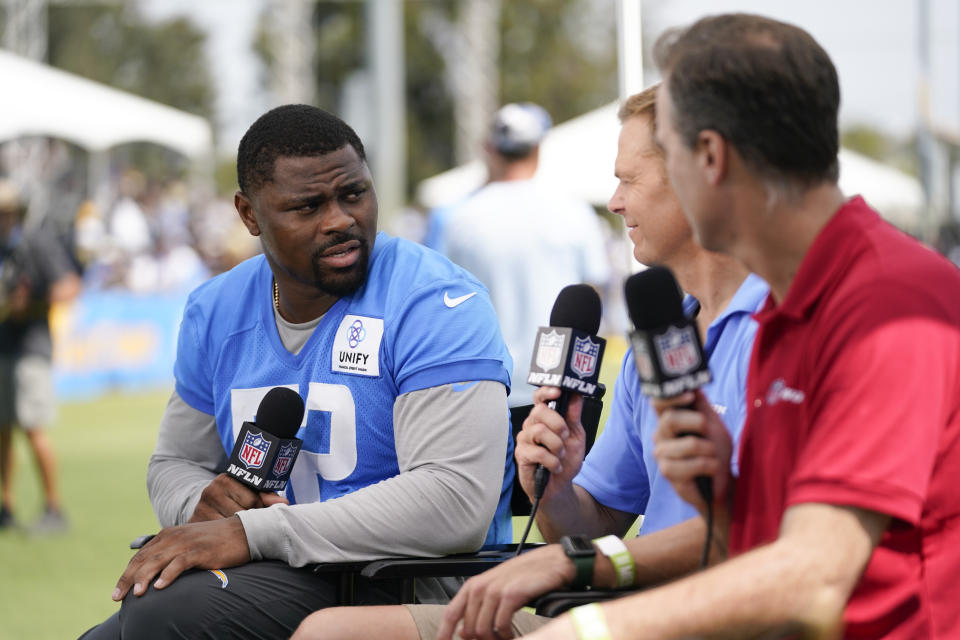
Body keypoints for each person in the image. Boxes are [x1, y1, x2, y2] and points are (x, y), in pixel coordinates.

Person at [517, 13, 960, 640]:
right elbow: (743, 549)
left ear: (710, 158)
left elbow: (814, 577)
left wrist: (589, 627)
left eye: (660, 156)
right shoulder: (797, 302)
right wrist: (719, 496)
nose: (617, 201)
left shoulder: (886, 302)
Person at [291, 84, 769, 640]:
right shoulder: (659, 342)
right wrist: (560, 488)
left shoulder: (782, 330)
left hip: (714, 614)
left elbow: (766, 537)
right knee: (329, 632)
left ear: (698, 178)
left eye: (628, 180)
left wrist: (579, 564)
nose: (615, 202)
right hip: (618, 605)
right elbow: (592, 524)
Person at [79, 104, 516, 639]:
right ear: (249, 215)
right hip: (278, 573)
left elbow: (455, 501)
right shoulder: (216, 308)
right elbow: (175, 461)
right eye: (307, 206)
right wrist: (200, 502)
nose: (339, 220)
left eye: (353, 194)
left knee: (164, 614)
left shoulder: (435, 301)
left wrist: (249, 532)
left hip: (407, 581)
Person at [431, 102, 611, 409]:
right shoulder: (574, 213)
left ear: (490, 149)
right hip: (556, 386)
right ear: (538, 148)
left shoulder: (457, 219)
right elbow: (594, 295)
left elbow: (438, 304)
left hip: (481, 384)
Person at [0, 178, 80, 534]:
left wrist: (28, 306)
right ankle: (6, 507)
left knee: (33, 429)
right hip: (4, 348)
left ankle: (53, 507)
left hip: (31, 349)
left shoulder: (34, 242)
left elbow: (69, 286)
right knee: (3, 431)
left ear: (15, 213)